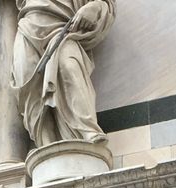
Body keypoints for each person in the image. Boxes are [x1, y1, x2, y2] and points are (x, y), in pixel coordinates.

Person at [12, 0, 115, 148]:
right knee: (29, 85)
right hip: (28, 27)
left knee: (69, 67)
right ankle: (46, 146)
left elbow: (106, 3)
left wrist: (95, 7)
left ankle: (85, 132)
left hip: (64, 28)